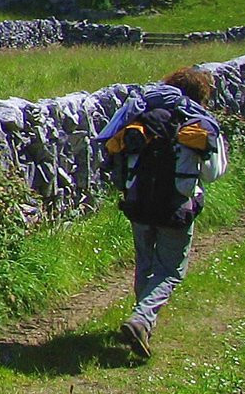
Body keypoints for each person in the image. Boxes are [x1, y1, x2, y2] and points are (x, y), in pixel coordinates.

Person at [94, 67, 228, 360]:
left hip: (138, 202)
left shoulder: (142, 114)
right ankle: (141, 319)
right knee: (170, 270)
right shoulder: (197, 122)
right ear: (201, 94)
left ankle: (142, 323)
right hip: (175, 207)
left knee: (145, 262)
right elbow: (213, 172)